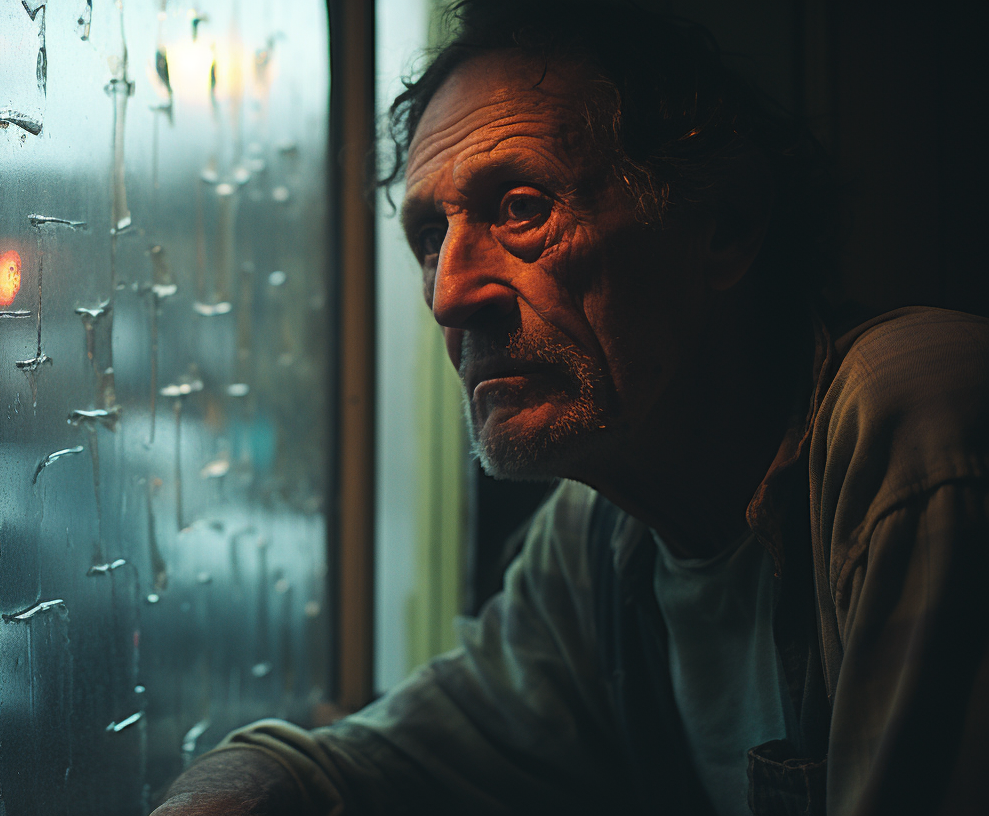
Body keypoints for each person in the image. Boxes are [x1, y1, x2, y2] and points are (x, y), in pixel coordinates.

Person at [152, 2, 989, 814]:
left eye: (522, 210)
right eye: (429, 240)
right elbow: (374, 763)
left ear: (724, 225)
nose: (449, 296)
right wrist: (229, 790)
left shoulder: (914, 417)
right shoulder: (600, 538)